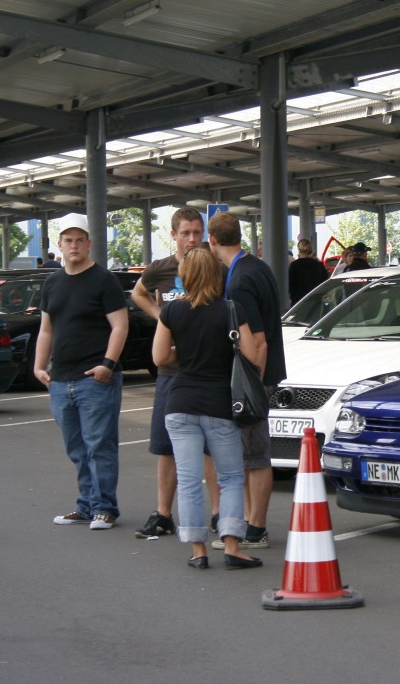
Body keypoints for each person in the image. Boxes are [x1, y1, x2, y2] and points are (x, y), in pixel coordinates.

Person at [153, 248, 264, 570]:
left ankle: (198, 551)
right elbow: (251, 355)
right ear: (217, 275)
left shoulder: (172, 311)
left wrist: (187, 352)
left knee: (189, 480)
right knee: (230, 478)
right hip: (219, 406)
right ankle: (232, 547)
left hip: (180, 404)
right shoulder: (231, 309)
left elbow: (160, 357)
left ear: (185, 276)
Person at [34, 214, 128, 530]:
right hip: (60, 380)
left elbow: (120, 326)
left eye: (79, 240)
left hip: (96, 380)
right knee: (76, 449)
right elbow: (46, 329)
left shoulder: (104, 280)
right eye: (68, 240)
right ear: (59, 245)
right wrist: (38, 366)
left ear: (89, 244)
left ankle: (104, 508)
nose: (73, 245)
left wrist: (108, 365)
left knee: (99, 446)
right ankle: (86, 505)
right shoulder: (52, 282)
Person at [130, 206, 217, 538]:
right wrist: (161, 317)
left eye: (197, 232)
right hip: (170, 371)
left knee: (210, 446)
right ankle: (163, 514)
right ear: (174, 235)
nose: (192, 239)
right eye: (185, 233)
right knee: (166, 446)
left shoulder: (213, 267)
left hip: (206, 370)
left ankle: (218, 513)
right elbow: (138, 293)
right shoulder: (161, 268)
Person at [208, 212, 286, 550]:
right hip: (265, 373)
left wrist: (251, 386)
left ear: (212, 240)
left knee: (252, 457)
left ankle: (255, 529)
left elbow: (257, 340)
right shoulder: (258, 267)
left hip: (253, 378)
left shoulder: (239, 280)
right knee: (250, 456)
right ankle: (250, 523)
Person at [287, 238, 329, 305]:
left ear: (299, 250)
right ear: (311, 250)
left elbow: (290, 286)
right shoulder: (319, 265)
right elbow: (325, 284)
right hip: (316, 303)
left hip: (298, 303)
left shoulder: (294, 266)